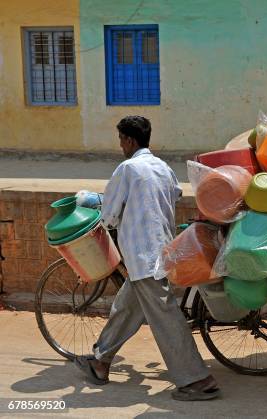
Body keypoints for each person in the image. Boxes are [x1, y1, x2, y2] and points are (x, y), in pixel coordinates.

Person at [73, 116, 220, 401]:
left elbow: (110, 215)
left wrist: (104, 211)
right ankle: (100, 361)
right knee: (126, 307)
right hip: (164, 252)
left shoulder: (127, 169)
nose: (120, 146)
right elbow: (173, 195)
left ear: (129, 140)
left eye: (120, 140)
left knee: (166, 318)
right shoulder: (163, 168)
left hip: (143, 256)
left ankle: (196, 380)